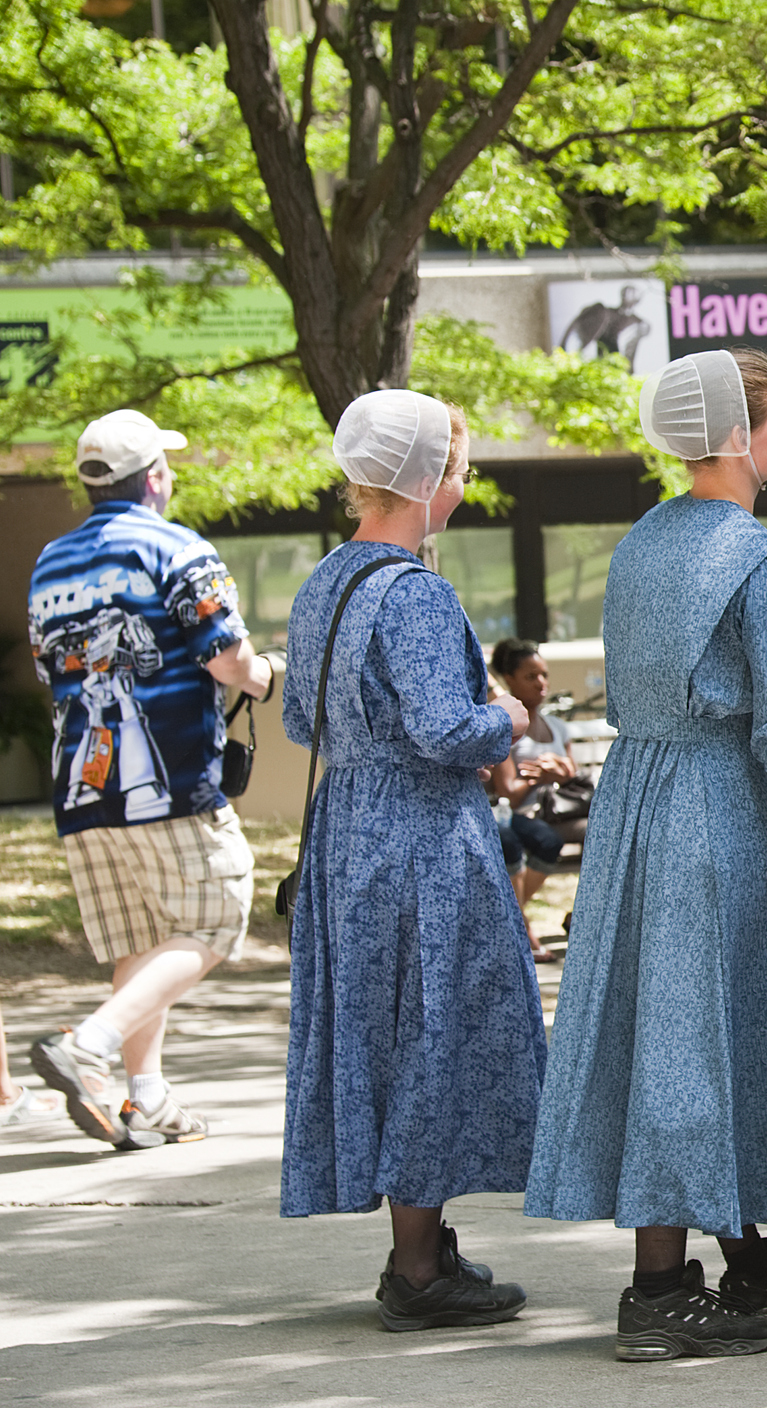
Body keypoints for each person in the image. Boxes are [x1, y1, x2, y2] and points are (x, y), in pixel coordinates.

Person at [524, 349, 767, 1361]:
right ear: (737, 437)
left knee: (693, 1022)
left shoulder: (641, 542)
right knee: (702, 1029)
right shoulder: (756, 558)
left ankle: (747, 1255)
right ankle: (658, 1288)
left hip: (636, 798)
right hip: (715, 804)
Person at [280, 389, 544, 1331]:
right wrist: (507, 717)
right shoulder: (417, 592)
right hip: (424, 835)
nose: (464, 485)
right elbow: (447, 731)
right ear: (427, 478)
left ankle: (420, 1246)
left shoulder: (323, 584)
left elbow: (298, 719)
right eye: (460, 469)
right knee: (436, 1026)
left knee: (381, 1031)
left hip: (346, 829)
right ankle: (422, 1266)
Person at [27, 409, 272, 1150]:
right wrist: (264, 678)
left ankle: (148, 1098)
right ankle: (90, 1045)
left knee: (141, 935)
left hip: (78, 780)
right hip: (164, 772)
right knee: (214, 915)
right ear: (156, 479)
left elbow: (51, 669)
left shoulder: (50, 561)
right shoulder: (175, 547)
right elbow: (227, 659)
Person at [486, 636, 582, 960]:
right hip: (519, 814)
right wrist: (538, 776)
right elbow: (508, 794)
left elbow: (572, 777)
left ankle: (582, 917)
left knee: (604, 832)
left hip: (557, 812)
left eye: (544, 675)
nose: (541, 683)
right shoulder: (505, 726)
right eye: (530, 676)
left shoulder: (557, 727)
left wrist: (560, 774)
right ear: (509, 680)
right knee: (528, 840)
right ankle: (519, 925)